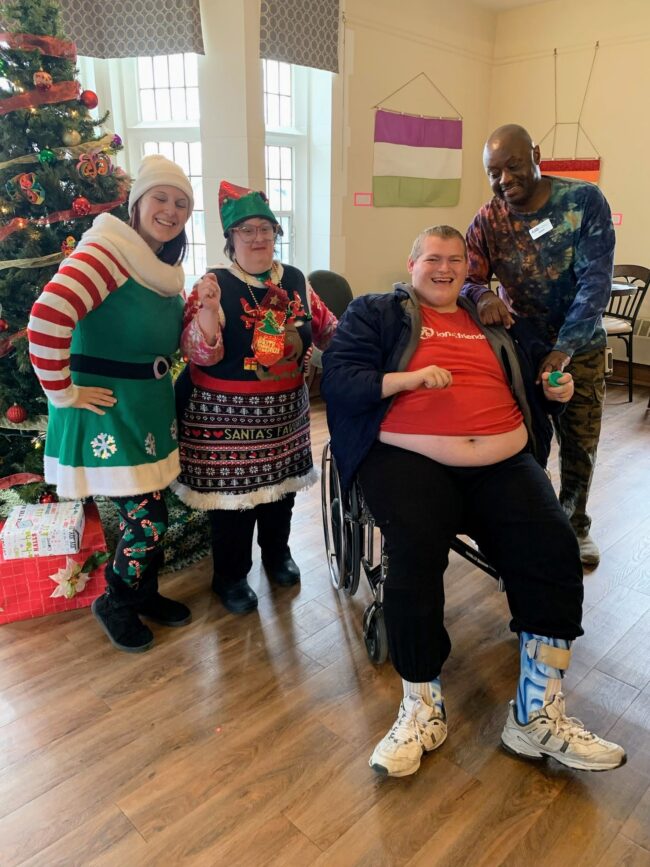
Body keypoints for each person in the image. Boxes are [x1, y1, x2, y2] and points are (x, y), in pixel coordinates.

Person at [321, 225, 625, 779]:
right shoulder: (376, 313)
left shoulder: (494, 321)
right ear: (411, 263)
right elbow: (339, 381)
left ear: (468, 269)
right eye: (432, 259)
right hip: (407, 457)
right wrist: (406, 381)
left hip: (503, 461)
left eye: (455, 260)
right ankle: (421, 705)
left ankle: (536, 713)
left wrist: (553, 389)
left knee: (556, 546)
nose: (444, 269)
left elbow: (537, 381)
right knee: (414, 546)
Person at [28, 155, 222, 653]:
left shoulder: (159, 268)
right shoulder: (107, 255)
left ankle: (142, 593)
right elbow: (48, 318)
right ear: (136, 203)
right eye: (161, 197)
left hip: (145, 408)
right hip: (107, 413)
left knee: (152, 505)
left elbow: (178, 345)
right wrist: (64, 392)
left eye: (182, 203)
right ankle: (115, 599)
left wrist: (205, 316)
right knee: (148, 518)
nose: (171, 210)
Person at [172, 181, 337, 614]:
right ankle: (229, 576)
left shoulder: (297, 280)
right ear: (231, 239)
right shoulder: (214, 284)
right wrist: (207, 313)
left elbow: (328, 328)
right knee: (233, 506)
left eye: (266, 228)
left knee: (281, 495)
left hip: (285, 418)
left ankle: (277, 554)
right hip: (223, 422)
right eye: (247, 230)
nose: (259, 237)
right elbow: (197, 353)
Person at [463, 123, 615, 567]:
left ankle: (576, 524)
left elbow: (595, 284)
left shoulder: (584, 202)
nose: (504, 180)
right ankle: (531, 521)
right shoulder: (488, 218)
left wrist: (564, 348)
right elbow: (467, 277)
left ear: (536, 154)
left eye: (513, 166)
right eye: (494, 172)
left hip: (580, 347)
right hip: (521, 349)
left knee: (580, 439)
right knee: (528, 440)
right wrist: (484, 294)